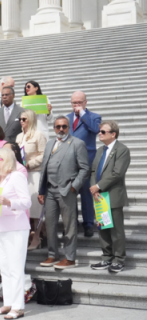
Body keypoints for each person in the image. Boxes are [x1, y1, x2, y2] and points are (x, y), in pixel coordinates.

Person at [38, 116, 90, 269]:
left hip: (67, 190)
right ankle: (52, 255)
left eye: (64, 126)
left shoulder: (77, 144)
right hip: (49, 190)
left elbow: (85, 168)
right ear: (54, 128)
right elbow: (44, 168)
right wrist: (41, 189)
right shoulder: (49, 144)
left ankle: (70, 257)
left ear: (69, 128)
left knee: (70, 226)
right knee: (50, 225)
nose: (61, 129)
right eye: (58, 126)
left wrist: (74, 186)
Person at [0, 148, 31, 319]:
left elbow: (27, 202)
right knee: (5, 269)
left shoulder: (17, 176)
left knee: (15, 268)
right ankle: (8, 303)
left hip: (16, 228)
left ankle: (18, 307)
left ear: (4, 160)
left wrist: (9, 202)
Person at [90, 121, 130, 273]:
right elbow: (93, 171)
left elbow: (117, 173)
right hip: (100, 196)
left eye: (103, 132)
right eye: (100, 131)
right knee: (103, 227)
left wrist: (98, 186)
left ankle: (119, 259)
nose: (99, 134)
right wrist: (95, 189)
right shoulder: (100, 150)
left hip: (112, 195)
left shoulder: (122, 150)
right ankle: (107, 257)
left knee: (116, 230)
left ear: (113, 134)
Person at [67, 91, 102, 237]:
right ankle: (72, 224)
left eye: (79, 102)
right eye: (74, 103)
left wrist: (82, 114)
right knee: (70, 193)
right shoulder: (67, 118)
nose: (76, 105)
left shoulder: (93, 117)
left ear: (85, 103)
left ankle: (88, 224)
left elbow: (95, 129)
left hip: (87, 160)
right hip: (69, 161)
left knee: (87, 194)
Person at [15, 110, 47, 250]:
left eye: (24, 119)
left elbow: (44, 154)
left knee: (35, 208)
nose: (21, 121)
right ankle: (31, 234)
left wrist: (30, 163)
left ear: (31, 120)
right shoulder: (19, 136)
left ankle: (36, 237)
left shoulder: (39, 135)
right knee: (25, 207)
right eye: (20, 119)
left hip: (34, 173)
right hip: (22, 174)